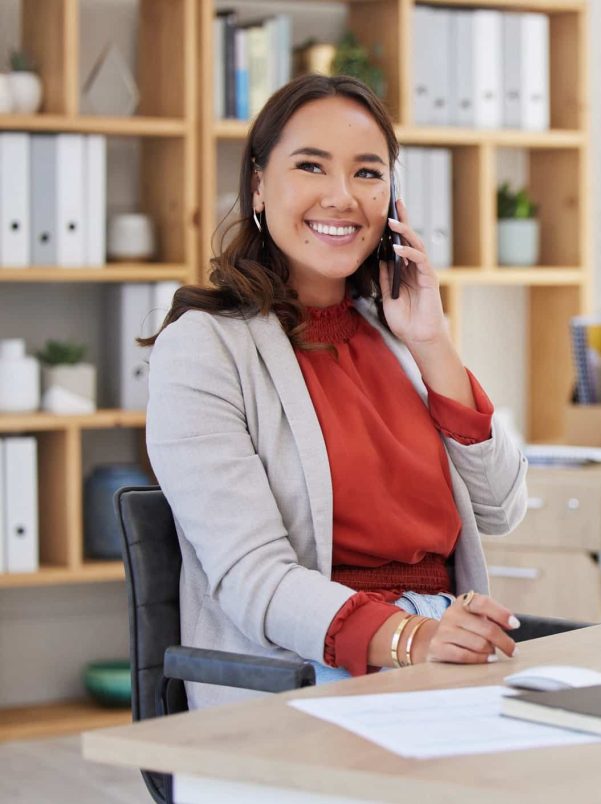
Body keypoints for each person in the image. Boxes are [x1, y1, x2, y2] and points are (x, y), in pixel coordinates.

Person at [142, 75, 526, 708]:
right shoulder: (205, 348)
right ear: (260, 186)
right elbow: (253, 577)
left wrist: (433, 343)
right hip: (304, 665)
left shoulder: (401, 335)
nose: (342, 196)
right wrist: (412, 636)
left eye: (369, 173)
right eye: (311, 166)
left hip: (441, 651)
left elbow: (502, 508)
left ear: (393, 199)